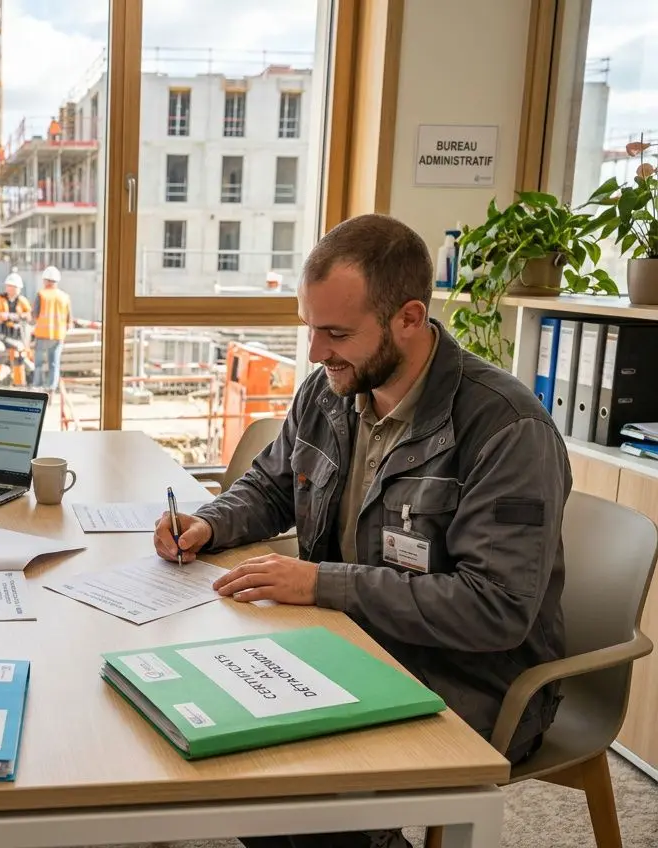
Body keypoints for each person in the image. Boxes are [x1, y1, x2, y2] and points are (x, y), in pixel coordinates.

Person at [153, 214, 569, 848]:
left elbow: (496, 609)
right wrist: (208, 524)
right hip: (348, 641)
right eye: (311, 328)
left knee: (290, 778)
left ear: (409, 318)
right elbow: (270, 486)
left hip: (470, 677)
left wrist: (324, 584)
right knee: (220, 736)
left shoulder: (506, 429)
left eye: (337, 333)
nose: (317, 353)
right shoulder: (330, 390)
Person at [0, 271, 33, 387]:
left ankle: (19, 385)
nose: (12, 289)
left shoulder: (22, 301)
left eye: (15, 287)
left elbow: (29, 315)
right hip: (0, 335)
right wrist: (4, 316)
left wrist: (19, 316)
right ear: (7, 287)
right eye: (10, 287)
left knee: (18, 358)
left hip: (15, 337)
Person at [32, 265, 72, 392]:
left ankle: (37, 386)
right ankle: (51, 388)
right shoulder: (65, 296)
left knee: (38, 363)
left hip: (42, 334)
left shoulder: (41, 294)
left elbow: (34, 314)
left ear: (45, 280)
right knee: (54, 364)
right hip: (58, 335)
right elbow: (69, 318)